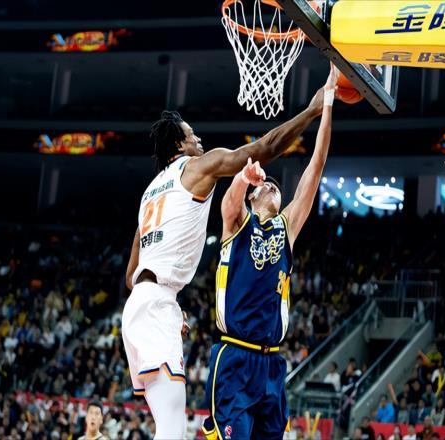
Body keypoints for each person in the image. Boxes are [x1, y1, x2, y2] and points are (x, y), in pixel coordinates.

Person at [122, 81, 328, 438]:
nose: (199, 140)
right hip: (164, 309)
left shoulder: (149, 193)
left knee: (169, 424)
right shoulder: (196, 168)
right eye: (192, 135)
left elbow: (131, 276)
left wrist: (164, 300)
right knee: (171, 428)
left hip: (142, 304)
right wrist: (312, 110)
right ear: (179, 145)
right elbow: (264, 148)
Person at [200, 64, 339, 439]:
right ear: (253, 196)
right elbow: (228, 205)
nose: (273, 186)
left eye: (277, 186)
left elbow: (316, 165)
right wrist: (242, 178)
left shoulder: (286, 227)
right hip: (235, 357)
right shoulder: (238, 224)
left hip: (272, 364)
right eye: (266, 185)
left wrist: (327, 104)